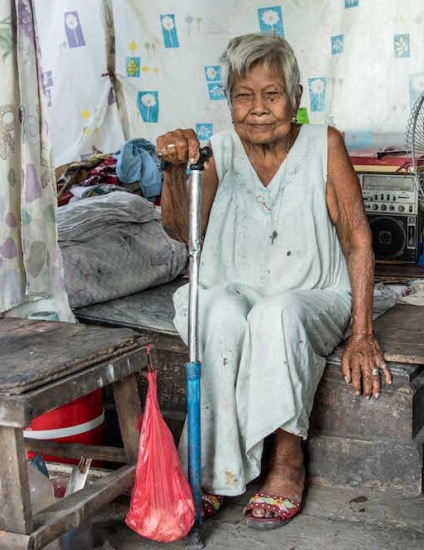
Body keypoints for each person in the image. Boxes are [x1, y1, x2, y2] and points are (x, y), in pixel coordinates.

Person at [157, 33, 391, 529]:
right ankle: (212, 470)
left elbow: (356, 238)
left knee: (276, 314)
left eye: (272, 94)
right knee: (217, 313)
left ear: (297, 98)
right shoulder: (216, 150)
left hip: (311, 294)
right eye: (244, 96)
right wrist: (174, 171)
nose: (258, 109)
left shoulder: (324, 145)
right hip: (235, 288)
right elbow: (182, 230)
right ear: (229, 102)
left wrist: (363, 332)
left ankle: (287, 462)